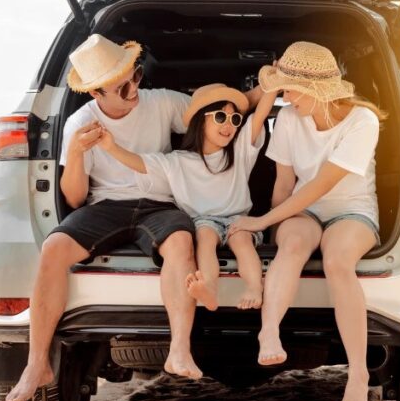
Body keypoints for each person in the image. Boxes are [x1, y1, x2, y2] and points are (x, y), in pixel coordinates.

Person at [5, 35, 261, 401]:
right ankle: (37, 364)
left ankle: (178, 350)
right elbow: (74, 198)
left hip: (160, 204)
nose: (135, 88)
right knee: (53, 248)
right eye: (123, 86)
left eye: (137, 75)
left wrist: (265, 93)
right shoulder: (80, 122)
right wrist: (75, 154)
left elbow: (214, 110)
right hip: (105, 206)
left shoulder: (161, 102)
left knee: (180, 242)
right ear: (96, 93)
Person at [228, 41, 387, 401]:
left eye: (288, 88)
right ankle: (268, 332)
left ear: (316, 91)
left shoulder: (362, 122)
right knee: (295, 243)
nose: (284, 96)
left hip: (352, 209)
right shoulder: (287, 119)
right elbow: (285, 184)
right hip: (304, 208)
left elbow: (322, 185)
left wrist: (262, 221)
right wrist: (274, 230)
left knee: (337, 262)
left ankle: (358, 373)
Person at [99, 83, 276, 311]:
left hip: (239, 220)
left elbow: (260, 114)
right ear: (201, 120)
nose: (229, 125)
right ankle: (209, 289)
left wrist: (274, 83)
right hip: (204, 221)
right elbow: (142, 164)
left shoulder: (240, 151)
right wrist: (111, 147)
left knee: (242, 240)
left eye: (235, 120)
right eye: (221, 116)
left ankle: (254, 288)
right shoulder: (178, 161)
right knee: (204, 236)